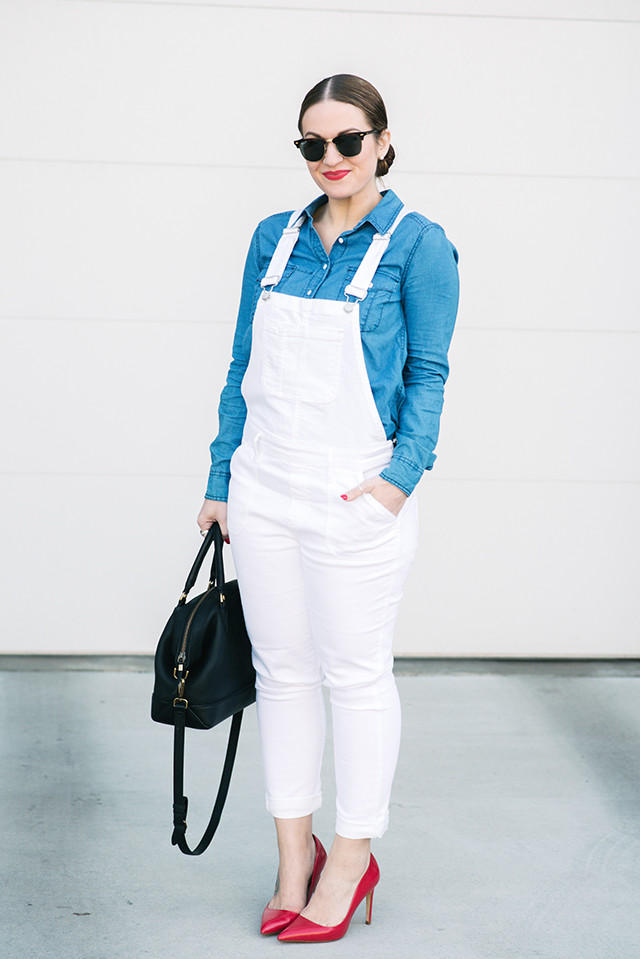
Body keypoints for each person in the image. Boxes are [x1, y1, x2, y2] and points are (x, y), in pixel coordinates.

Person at [197, 74, 459, 943]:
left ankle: (351, 859)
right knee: (282, 675)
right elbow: (242, 363)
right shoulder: (273, 239)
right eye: (312, 145)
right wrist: (221, 478)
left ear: (384, 141)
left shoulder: (419, 245)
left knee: (354, 675)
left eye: (349, 141)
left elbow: (428, 373)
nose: (332, 160)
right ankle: (291, 857)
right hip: (265, 486)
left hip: (355, 492)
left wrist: (397, 481)